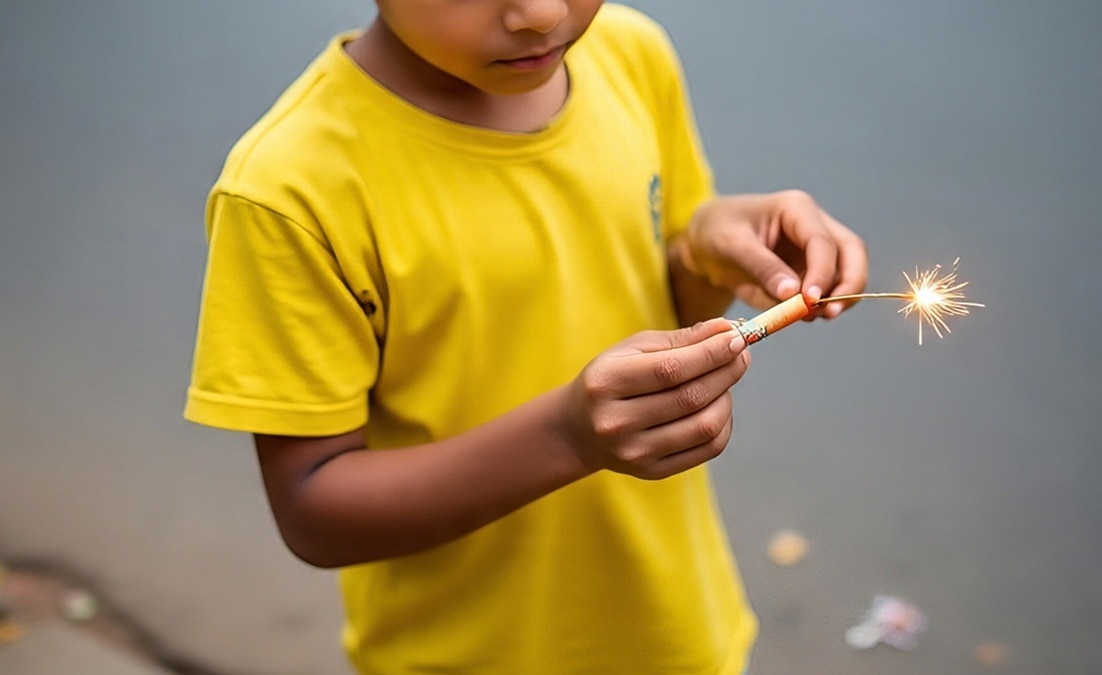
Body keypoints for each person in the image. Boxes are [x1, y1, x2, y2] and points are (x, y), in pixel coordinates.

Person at [185, 0, 867, 672]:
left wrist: (702, 253)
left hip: (676, 635)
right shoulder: (290, 192)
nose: (541, 13)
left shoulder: (630, 54)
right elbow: (313, 510)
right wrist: (567, 437)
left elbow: (666, 295)